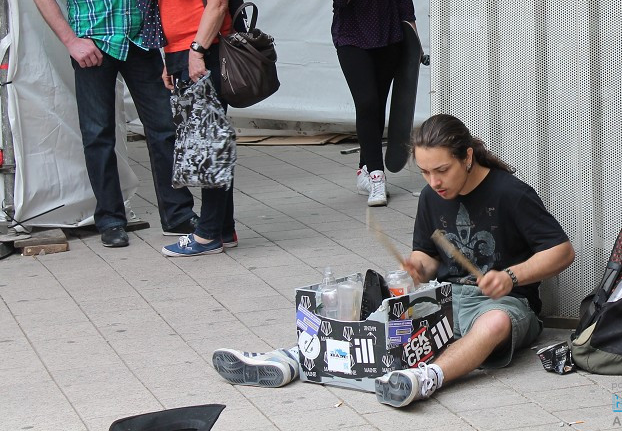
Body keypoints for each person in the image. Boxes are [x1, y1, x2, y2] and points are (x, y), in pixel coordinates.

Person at [211, 114, 575, 407]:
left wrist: (511, 275)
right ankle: (292, 358)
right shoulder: (432, 197)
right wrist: (416, 268)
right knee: (380, 311)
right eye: (425, 172)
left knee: (493, 323)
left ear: (467, 156)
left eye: (442, 170)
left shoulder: (510, 192)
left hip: (506, 303)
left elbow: (563, 251)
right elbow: (428, 257)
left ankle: (425, 378)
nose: (434, 181)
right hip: (445, 296)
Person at [31, 0, 196, 249]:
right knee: (98, 133)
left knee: (163, 128)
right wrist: (71, 41)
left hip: (141, 41)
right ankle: (110, 219)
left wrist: (169, 43)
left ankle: (176, 214)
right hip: (94, 47)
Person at [136, 0, 242, 257]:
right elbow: (167, 8)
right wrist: (169, 58)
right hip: (181, 54)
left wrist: (197, 51)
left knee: (208, 142)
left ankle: (207, 234)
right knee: (204, 139)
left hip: (205, 52)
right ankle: (223, 230)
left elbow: (216, 5)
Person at [320, 0, 417, 207]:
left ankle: (364, 166)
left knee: (378, 104)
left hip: (388, 35)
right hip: (352, 37)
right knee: (367, 103)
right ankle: (376, 176)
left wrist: (411, 33)